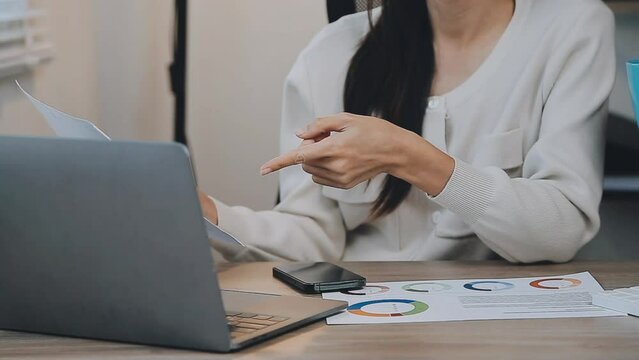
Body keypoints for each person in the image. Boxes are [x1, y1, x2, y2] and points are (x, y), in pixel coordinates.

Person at [199, 0, 615, 263]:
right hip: (364, 319)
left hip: (506, 323)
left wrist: (407, 155)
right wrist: (209, 215)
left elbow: (560, 230)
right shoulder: (332, 52)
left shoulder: (573, 26)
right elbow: (314, 236)